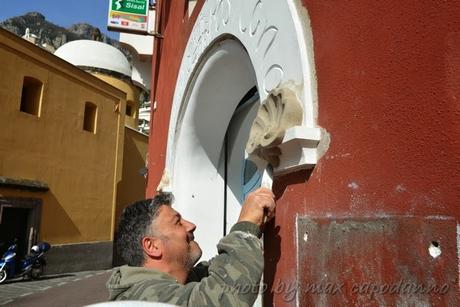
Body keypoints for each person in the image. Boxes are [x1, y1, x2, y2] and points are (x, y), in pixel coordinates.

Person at [107, 187, 276, 306]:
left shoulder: (181, 281)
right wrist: (245, 227)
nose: (191, 225)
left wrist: (253, 230)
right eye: (178, 223)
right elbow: (220, 300)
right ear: (152, 246)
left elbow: (220, 270)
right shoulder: (142, 300)